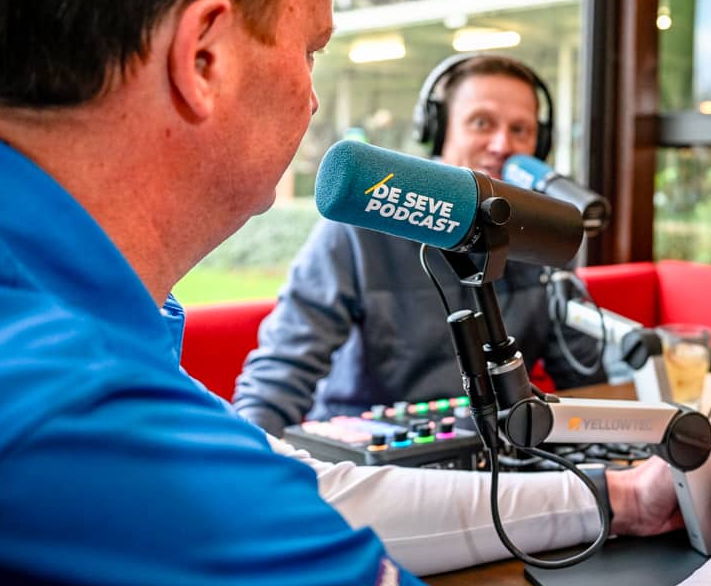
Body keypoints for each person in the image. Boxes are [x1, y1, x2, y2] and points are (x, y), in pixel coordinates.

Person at [0, 0, 711, 586]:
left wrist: (625, 498)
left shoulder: (76, 341)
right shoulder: (87, 424)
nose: (311, 99)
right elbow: (238, 487)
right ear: (204, 57)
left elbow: (302, 487)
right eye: (310, 50)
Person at [232, 54, 604, 438]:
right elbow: (281, 374)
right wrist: (246, 456)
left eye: (520, 130)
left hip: (497, 453)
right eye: (482, 123)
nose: (502, 144)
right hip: (371, 456)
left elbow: (585, 376)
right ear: (438, 131)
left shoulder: (541, 241)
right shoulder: (361, 227)